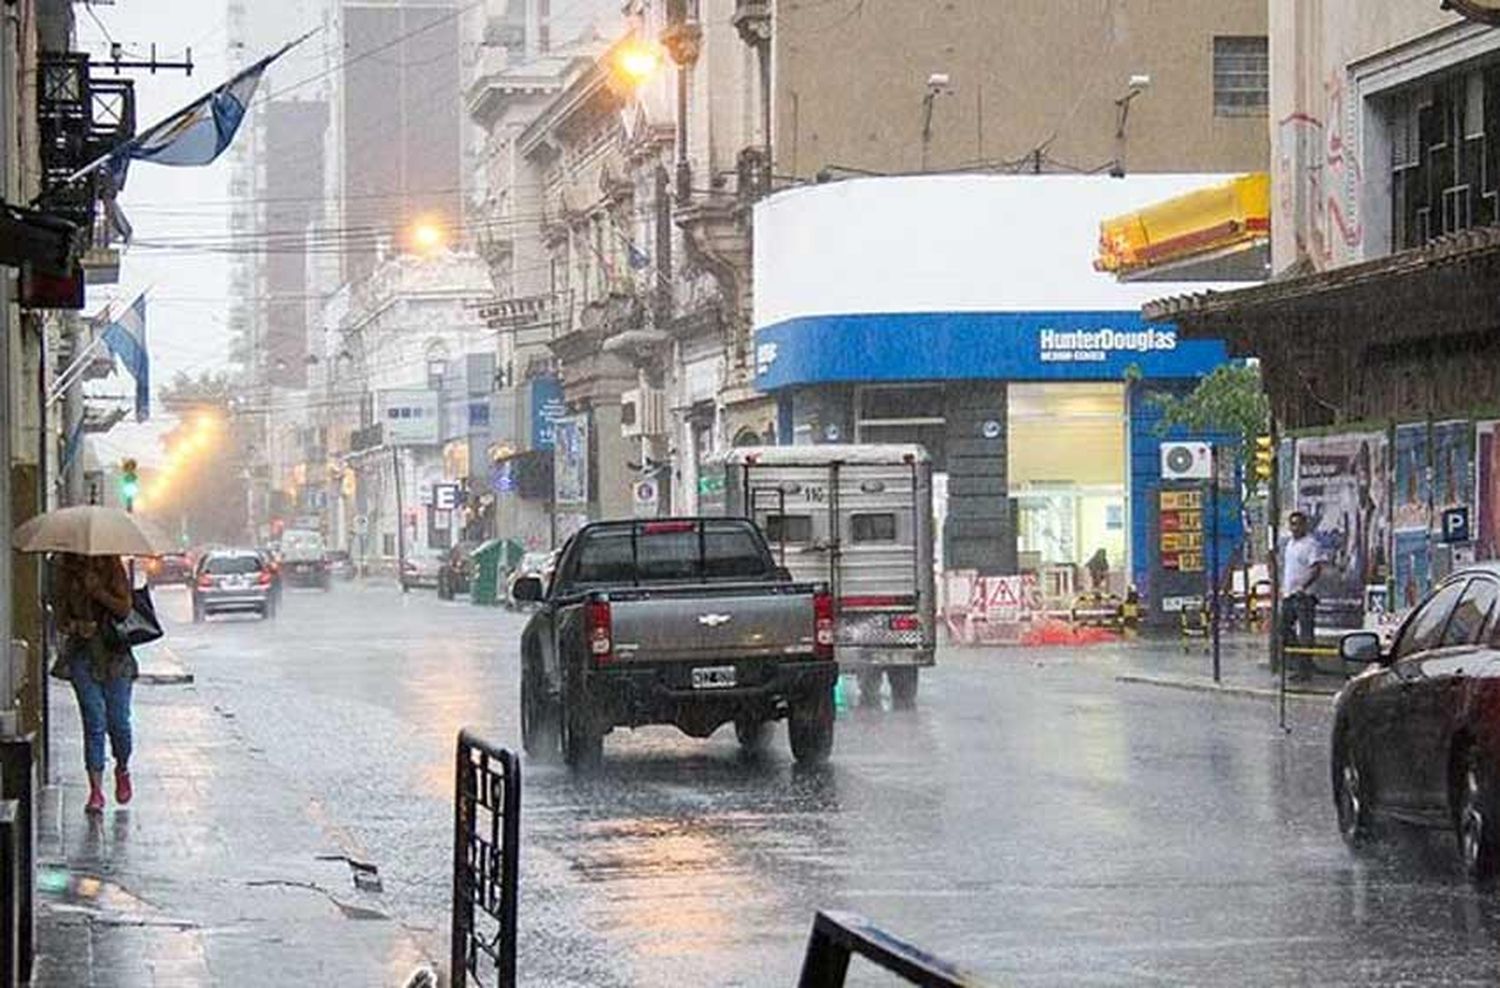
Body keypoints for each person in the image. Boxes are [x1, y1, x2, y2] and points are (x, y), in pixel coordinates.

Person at [50, 553, 137, 814]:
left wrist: (98, 592)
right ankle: (95, 790)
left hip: (115, 656)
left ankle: (122, 767)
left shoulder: (112, 566)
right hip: (82, 655)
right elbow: (59, 617)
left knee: (118, 722)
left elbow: (124, 609)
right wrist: (76, 626)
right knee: (94, 720)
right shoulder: (64, 569)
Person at [1278, 511, 1326, 681]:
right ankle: (1299, 662)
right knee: (1283, 628)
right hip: (1289, 594)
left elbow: (1317, 568)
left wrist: (1303, 586)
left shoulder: (1311, 544)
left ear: (1305, 525)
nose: (1294, 528)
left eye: (1298, 524)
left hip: (1304, 596)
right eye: (1292, 524)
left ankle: (1305, 670)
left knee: (1306, 632)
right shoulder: (1290, 544)